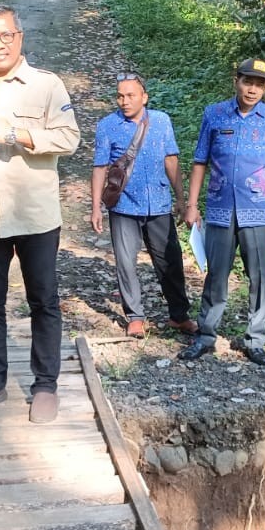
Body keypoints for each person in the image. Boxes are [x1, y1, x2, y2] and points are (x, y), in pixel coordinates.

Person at [0, 2, 80, 424]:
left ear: (20, 38)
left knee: (44, 301)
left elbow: (69, 138)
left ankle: (45, 386)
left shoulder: (47, 85)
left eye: (6, 35)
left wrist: (20, 134)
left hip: (36, 216)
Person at [181, 58, 265, 366]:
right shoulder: (214, 114)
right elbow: (200, 161)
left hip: (259, 211)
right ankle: (205, 335)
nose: (252, 89)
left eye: (259, 85)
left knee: (260, 276)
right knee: (216, 273)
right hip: (219, 209)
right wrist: (192, 205)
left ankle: (255, 340)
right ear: (236, 80)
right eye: (247, 82)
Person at [90, 73, 197, 339]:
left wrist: (181, 199)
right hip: (124, 206)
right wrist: (95, 207)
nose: (124, 101)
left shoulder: (161, 121)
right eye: (120, 96)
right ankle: (135, 317)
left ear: (144, 97)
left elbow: (171, 160)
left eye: (130, 95)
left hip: (159, 204)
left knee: (170, 261)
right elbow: (100, 167)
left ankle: (179, 315)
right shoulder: (107, 125)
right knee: (126, 262)